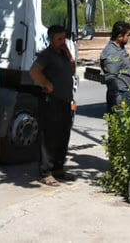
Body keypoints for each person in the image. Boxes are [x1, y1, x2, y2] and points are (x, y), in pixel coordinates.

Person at [29, 25, 76, 186]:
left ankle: (58, 168)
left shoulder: (62, 54)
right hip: (51, 102)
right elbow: (34, 71)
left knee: (63, 135)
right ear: (51, 39)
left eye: (64, 39)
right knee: (49, 137)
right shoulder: (46, 55)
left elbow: (72, 71)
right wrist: (46, 83)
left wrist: (69, 54)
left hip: (65, 101)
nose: (62, 42)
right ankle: (46, 172)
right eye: (59, 39)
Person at [101, 21, 130, 114]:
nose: (129, 38)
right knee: (120, 124)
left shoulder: (119, 48)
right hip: (119, 95)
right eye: (127, 35)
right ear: (120, 36)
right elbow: (111, 78)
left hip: (125, 92)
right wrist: (116, 100)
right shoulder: (111, 53)